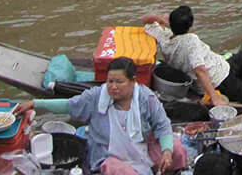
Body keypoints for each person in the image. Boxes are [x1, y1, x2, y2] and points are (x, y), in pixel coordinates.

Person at [13, 57, 184, 175]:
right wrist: (36, 103)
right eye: (110, 81)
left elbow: (163, 125)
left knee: (177, 149)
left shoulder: (147, 98)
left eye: (119, 82)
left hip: (142, 148)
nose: (113, 87)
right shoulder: (95, 97)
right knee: (118, 170)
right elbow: (68, 104)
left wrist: (167, 152)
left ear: (133, 82)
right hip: (110, 155)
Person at [142, 6, 242, 105]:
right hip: (220, 81)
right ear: (190, 26)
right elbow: (200, 70)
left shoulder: (164, 38)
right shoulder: (191, 41)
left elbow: (145, 20)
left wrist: (160, 19)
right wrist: (214, 97)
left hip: (221, 65)